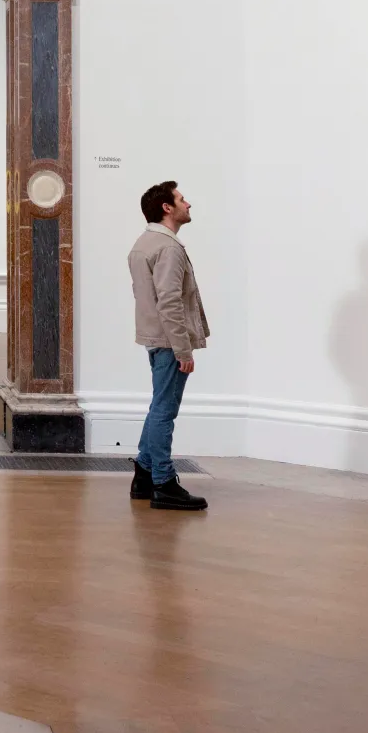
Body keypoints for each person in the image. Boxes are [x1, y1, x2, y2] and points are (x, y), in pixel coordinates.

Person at [130, 181, 209, 511]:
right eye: (181, 199)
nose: (188, 204)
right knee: (165, 411)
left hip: (154, 339)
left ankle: (144, 475)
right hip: (168, 342)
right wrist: (183, 349)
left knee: (158, 406)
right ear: (166, 207)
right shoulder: (168, 248)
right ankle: (164, 482)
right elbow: (170, 302)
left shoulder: (143, 244)